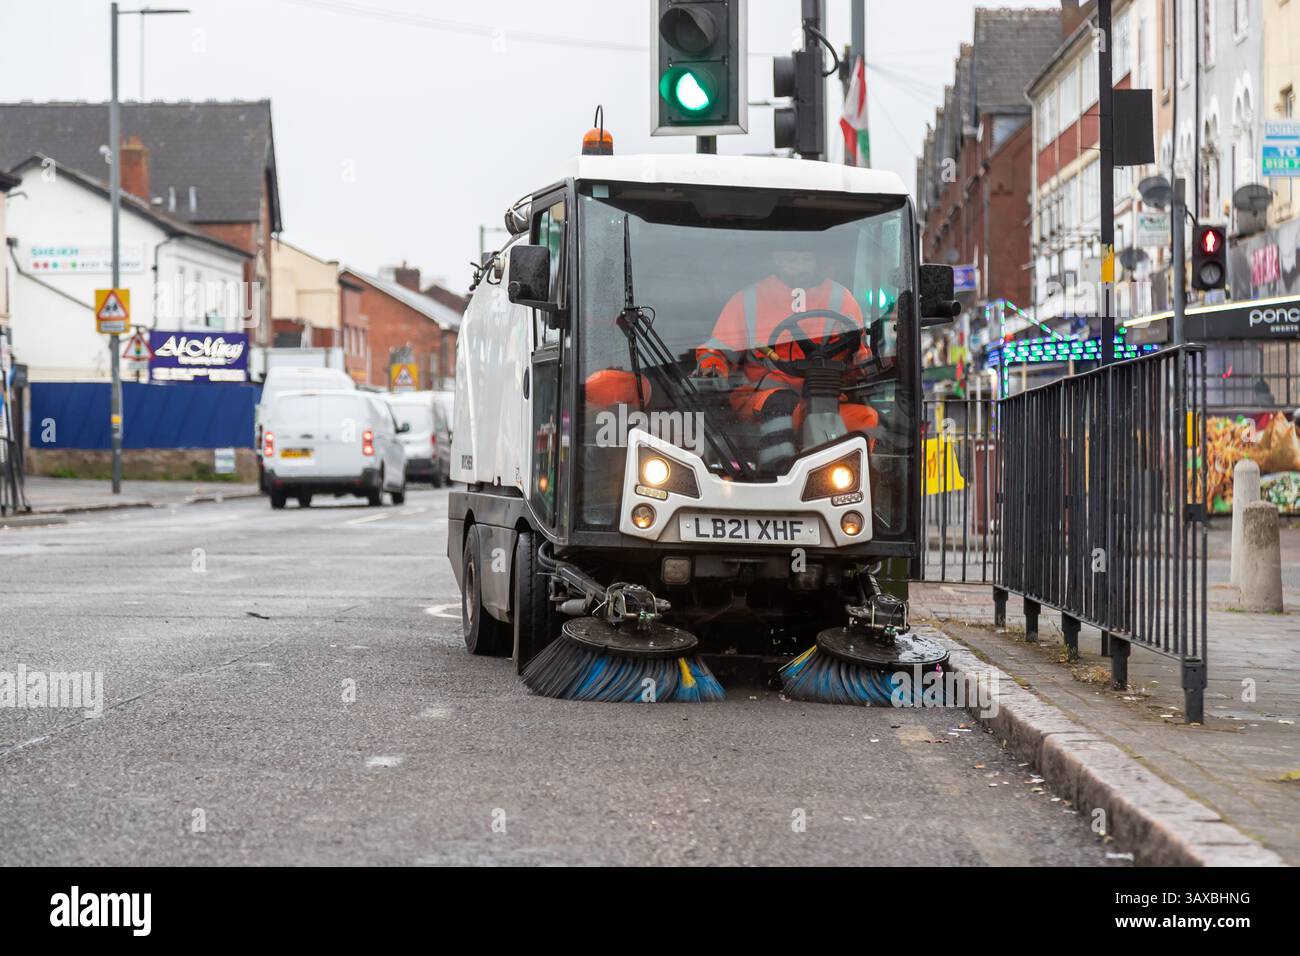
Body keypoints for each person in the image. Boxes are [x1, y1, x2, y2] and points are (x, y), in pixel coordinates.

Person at [694, 246, 880, 470]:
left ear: (817, 259)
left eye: (805, 257)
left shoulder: (841, 299)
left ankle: (856, 488)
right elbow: (717, 350)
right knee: (780, 402)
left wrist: (862, 363)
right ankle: (779, 474)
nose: (798, 265)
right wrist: (712, 368)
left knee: (865, 418)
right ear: (776, 258)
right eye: (790, 258)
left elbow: (859, 355)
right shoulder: (749, 299)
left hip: (823, 400)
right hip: (759, 396)